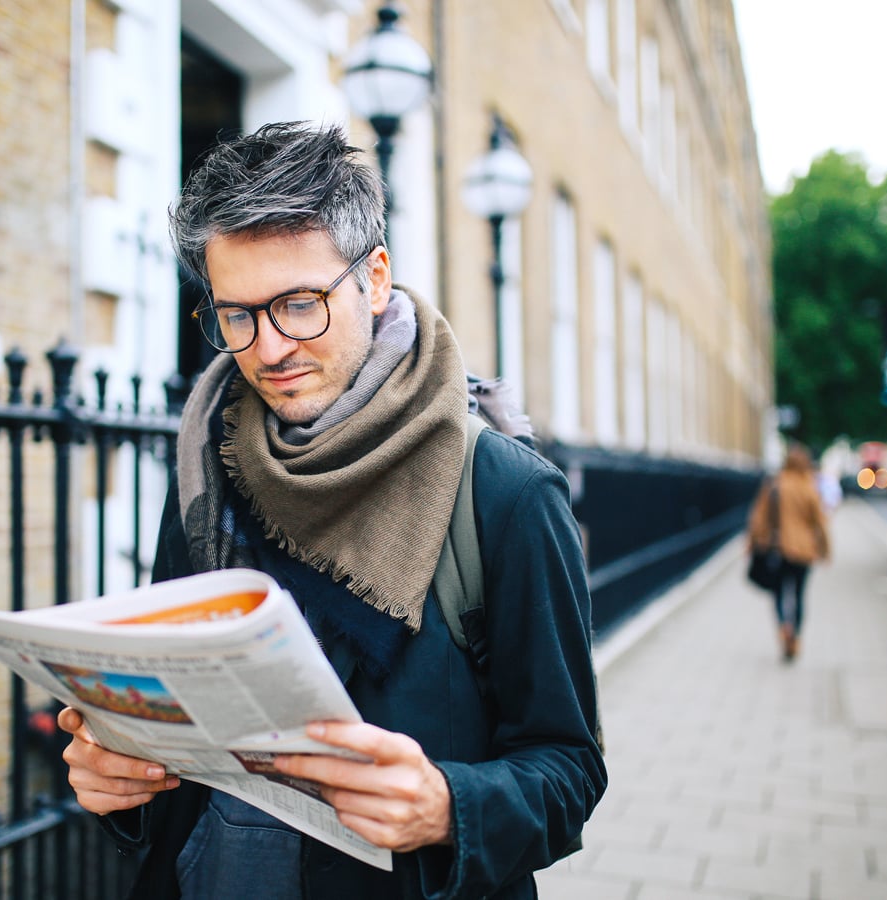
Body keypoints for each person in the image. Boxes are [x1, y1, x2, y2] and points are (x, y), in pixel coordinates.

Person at [57, 121, 606, 899]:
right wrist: (117, 779)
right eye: (236, 315)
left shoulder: (506, 493)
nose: (268, 348)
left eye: (300, 304)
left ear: (374, 279)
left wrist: (450, 807)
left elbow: (570, 768)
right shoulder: (204, 469)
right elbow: (172, 741)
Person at [747, 443, 831, 661]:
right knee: (799, 595)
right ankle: (796, 635)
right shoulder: (809, 487)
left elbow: (758, 518)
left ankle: (784, 626)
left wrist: (752, 542)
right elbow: (821, 523)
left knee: (778, 593)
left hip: (778, 548)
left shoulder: (775, 485)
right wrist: (825, 550)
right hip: (804, 551)